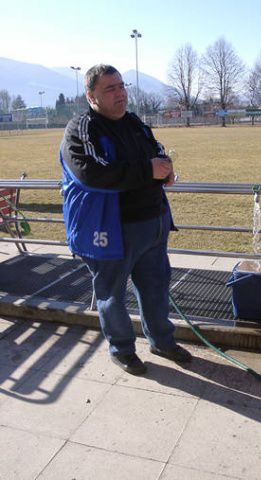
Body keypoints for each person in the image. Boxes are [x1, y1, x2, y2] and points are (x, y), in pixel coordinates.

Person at [59, 64, 191, 375]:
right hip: (111, 230)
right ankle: (122, 348)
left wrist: (165, 170)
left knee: (156, 286)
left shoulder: (134, 123)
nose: (120, 93)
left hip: (154, 223)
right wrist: (149, 171)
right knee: (111, 293)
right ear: (91, 96)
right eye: (110, 89)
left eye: (121, 86)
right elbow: (92, 174)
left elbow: (156, 152)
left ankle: (161, 340)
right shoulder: (81, 129)